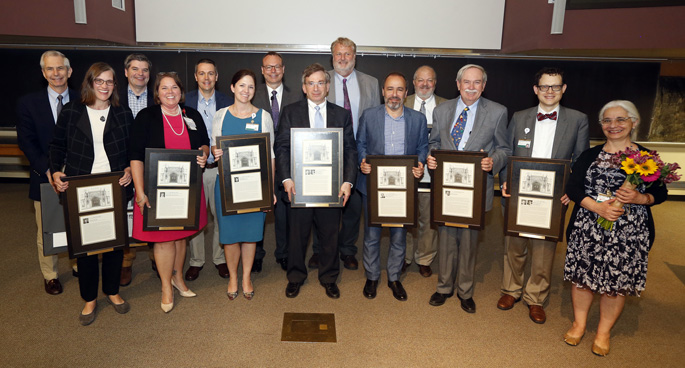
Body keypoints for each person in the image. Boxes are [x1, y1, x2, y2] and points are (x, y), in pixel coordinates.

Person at [562, 100, 667, 356]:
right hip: (589, 228)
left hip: (628, 235)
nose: (614, 125)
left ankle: (603, 331)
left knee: (615, 283)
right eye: (607, 121)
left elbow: (660, 193)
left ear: (634, 122)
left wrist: (640, 198)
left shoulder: (647, 159)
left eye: (620, 119)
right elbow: (573, 188)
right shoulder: (589, 155)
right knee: (582, 279)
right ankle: (579, 324)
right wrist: (598, 208)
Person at [497, 67, 589, 324]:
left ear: (563, 89)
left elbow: (581, 161)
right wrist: (504, 181)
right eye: (545, 86)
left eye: (555, 86)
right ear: (535, 89)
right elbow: (507, 152)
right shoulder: (519, 117)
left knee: (544, 249)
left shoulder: (578, 119)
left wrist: (571, 191)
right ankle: (511, 290)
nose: (550, 91)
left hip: (554, 197)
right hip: (518, 193)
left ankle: (535, 297)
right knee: (514, 244)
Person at [49, 62, 134, 325]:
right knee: (85, 247)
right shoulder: (72, 111)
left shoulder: (122, 112)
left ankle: (112, 291)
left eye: (110, 82)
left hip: (114, 185)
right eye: (100, 81)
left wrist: (130, 167)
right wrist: (54, 172)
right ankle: (89, 298)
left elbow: (133, 148)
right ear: (90, 83)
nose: (105, 86)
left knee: (114, 243)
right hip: (80, 187)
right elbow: (56, 145)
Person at [427, 64, 510, 313]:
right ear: (458, 84)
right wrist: (431, 157)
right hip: (447, 188)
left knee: (469, 241)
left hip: (475, 190)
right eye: (467, 82)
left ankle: (465, 290)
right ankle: (443, 287)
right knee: (446, 239)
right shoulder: (441, 110)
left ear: (483, 86)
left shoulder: (497, 112)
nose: (471, 87)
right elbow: (433, 143)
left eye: (477, 83)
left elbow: (505, 149)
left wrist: (492, 161)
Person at [274, 63, 357, 299]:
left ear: (328, 86)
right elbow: (281, 147)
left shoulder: (341, 114)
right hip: (299, 187)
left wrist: (347, 182)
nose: (316, 87)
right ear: (304, 87)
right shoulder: (290, 112)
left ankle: (329, 277)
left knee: (330, 235)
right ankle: (295, 277)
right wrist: (286, 178)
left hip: (331, 188)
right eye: (311, 83)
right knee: (297, 236)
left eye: (321, 82)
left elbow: (350, 150)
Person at [129, 72, 209, 313]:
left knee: (181, 236)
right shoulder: (146, 117)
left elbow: (204, 142)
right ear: (157, 93)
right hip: (155, 191)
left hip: (187, 190)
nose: (170, 92)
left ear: (181, 91)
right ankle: (165, 286)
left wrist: (204, 154)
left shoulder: (191, 114)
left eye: (174, 87)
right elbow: (135, 156)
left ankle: (178, 278)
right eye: (164, 88)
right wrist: (140, 192)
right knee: (164, 240)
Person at [308, 37, 381, 271]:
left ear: (355, 56)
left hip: (358, 154)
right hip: (324, 156)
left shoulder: (371, 82)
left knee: (353, 207)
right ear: (332, 57)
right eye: (338, 54)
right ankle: (319, 250)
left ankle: (348, 249)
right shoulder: (321, 81)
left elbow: (375, 121)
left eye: (347, 54)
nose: (342, 58)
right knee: (322, 206)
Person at [356, 72, 428, 301]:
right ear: (382, 92)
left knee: (399, 235)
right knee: (371, 235)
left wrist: (421, 164)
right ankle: (372, 276)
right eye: (390, 89)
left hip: (403, 189)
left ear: (406, 93)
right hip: (374, 187)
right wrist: (363, 162)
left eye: (399, 90)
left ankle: (394, 277)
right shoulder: (369, 116)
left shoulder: (417, 119)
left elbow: (423, 147)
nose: (394, 94)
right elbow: (361, 144)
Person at [16, 50, 79, 295]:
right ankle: (50, 275)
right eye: (50, 69)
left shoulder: (82, 99)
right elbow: (27, 142)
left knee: (76, 223)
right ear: (44, 73)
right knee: (48, 228)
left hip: (77, 175)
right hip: (44, 175)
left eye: (60, 68)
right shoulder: (28, 103)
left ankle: (77, 265)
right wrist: (50, 170)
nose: (56, 73)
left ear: (69, 71)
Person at [211, 69, 275, 300]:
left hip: (255, 187)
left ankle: (246, 276)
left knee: (250, 234)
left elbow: (271, 155)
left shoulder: (263, 117)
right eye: (241, 86)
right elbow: (213, 147)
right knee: (229, 235)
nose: (246, 91)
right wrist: (214, 152)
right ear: (232, 87)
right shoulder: (220, 115)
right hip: (227, 187)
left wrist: (270, 189)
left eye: (250, 87)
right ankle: (233, 277)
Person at [252, 52, 303, 272]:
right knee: (258, 210)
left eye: (277, 67)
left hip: (288, 162)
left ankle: (283, 252)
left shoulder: (298, 96)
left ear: (283, 69)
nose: (273, 71)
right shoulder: (251, 95)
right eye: (268, 67)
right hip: (259, 163)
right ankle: (256, 254)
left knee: (284, 212)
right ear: (262, 71)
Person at [185, 58, 233, 281]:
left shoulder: (228, 101)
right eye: (202, 73)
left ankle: (219, 258)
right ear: (196, 77)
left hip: (219, 167)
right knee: (195, 216)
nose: (206, 78)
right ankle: (196, 261)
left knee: (220, 216)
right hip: (194, 170)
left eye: (210, 73)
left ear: (217, 77)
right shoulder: (184, 101)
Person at [403, 65, 448, 277]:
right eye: (420, 80)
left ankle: (425, 257)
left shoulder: (448, 107)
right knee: (406, 216)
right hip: (407, 171)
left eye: (429, 80)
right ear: (413, 82)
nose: (424, 84)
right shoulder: (401, 102)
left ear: (435, 83)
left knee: (429, 218)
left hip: (435, 173)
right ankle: (405, 256)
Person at [118, 53, 155, 286]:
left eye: (144, 70)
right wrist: (127, 166)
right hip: (121, 168)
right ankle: (126, 261)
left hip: (151, 167)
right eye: (135, 69)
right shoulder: (113, 98)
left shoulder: (159, 98)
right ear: (126, 72)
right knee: (124, 216)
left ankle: (155, 257)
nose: (140, 73)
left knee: (151, 213)